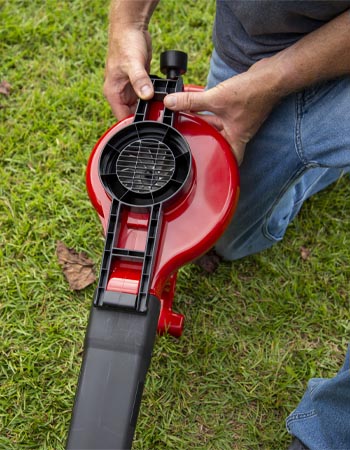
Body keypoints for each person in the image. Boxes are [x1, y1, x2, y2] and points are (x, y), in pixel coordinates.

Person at [103, 2, 350, 449]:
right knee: (228, 238)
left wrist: (272, 83)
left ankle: (324, 146)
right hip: (256, 40)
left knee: (232, 212)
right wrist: (127, 23)